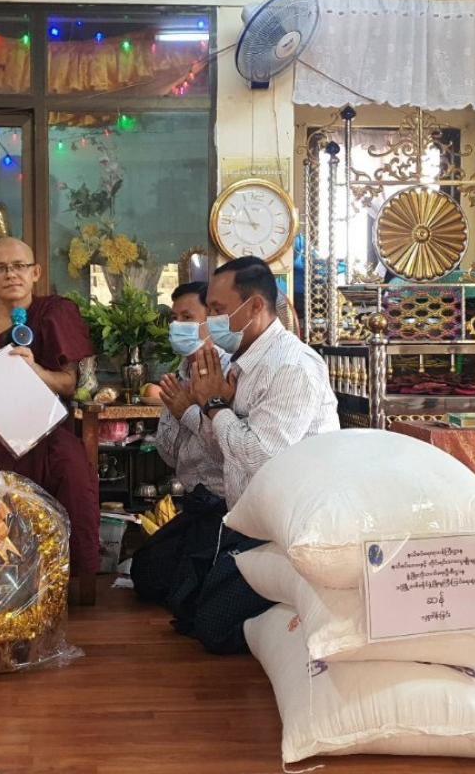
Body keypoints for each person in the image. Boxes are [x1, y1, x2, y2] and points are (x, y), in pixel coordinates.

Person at [185, 255, 339, 654]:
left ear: (254, 306)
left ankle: (310, 608)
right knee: (179, 596)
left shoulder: (291, 367)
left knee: (212, 626)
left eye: (217, 310)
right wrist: (209, 408)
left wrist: (214, 406)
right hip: (248, 521)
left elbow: (259, 457)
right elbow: (224, 451)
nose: (209, 322)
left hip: (289, 531)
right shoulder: (243, 364)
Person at [0, 237, 100, 582]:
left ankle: (65, 576)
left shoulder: (54, 314)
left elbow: (68, 385)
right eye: (1, 268)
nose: (11, 274)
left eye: (19, 266)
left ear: (35, 273)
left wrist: (36, 370)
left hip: (46, 428)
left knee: (72, 466)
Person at [131, 282, 231, 617]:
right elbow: (168, 453)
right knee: (147, 573)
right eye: (174, 318)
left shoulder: (229, 373)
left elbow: (232, 451)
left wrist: (191, 413)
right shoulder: (179, 374)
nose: (178, 326)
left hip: (229, 505)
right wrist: (179, 412)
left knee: (190, 592)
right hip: (196, 502)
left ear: (212, 320)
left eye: (187, 317)